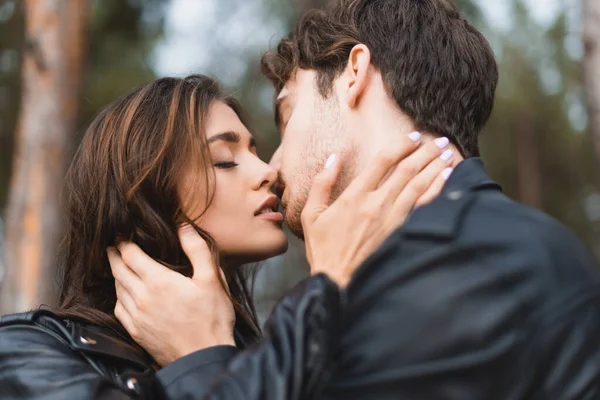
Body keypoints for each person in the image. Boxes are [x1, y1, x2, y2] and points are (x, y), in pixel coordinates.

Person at [109, 0, 600, 399]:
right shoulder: (474, 246)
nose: (274, 166)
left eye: (286, 116)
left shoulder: (456, 265)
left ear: (354, 73)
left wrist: (201, 358)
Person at [0, 74, 452, 399]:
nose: (269, 172)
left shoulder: (281, 350)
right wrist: (202, 358)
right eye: (224, 159)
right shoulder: (23, 354)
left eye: (254, 149)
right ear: (144, 192)